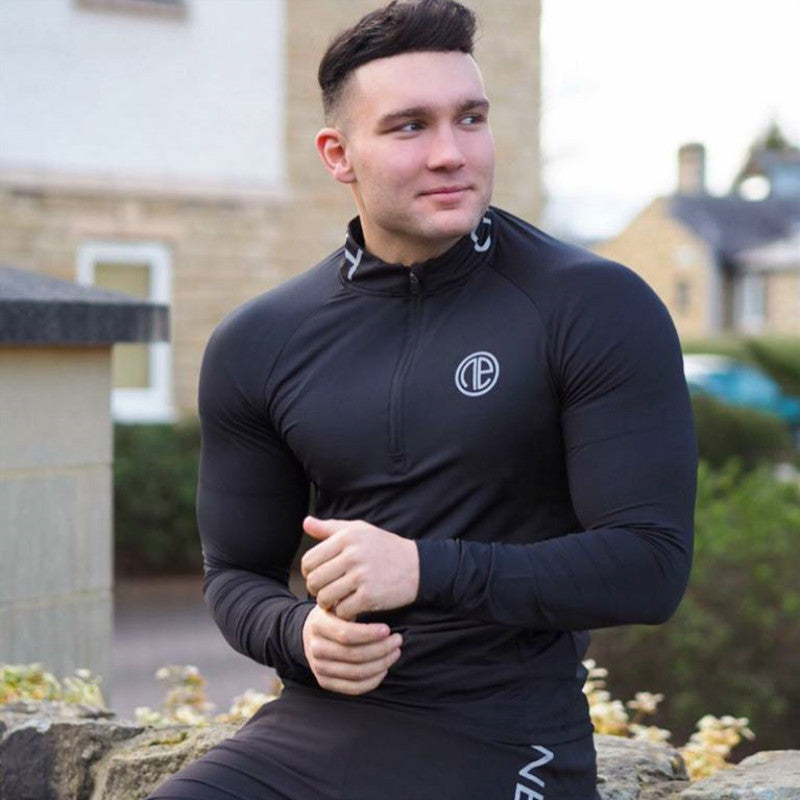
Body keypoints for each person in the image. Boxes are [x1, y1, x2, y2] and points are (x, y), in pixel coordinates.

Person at [146, 1, 697, 798]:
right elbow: (235, 574)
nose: (451, 153)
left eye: (470, 118)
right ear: (338, 155)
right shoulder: (259, 341)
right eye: (410, 127)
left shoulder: (592, 305)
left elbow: (649, 566)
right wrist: (298, 633)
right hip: (313, 731)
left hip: (507, 738)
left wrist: (420, 567)